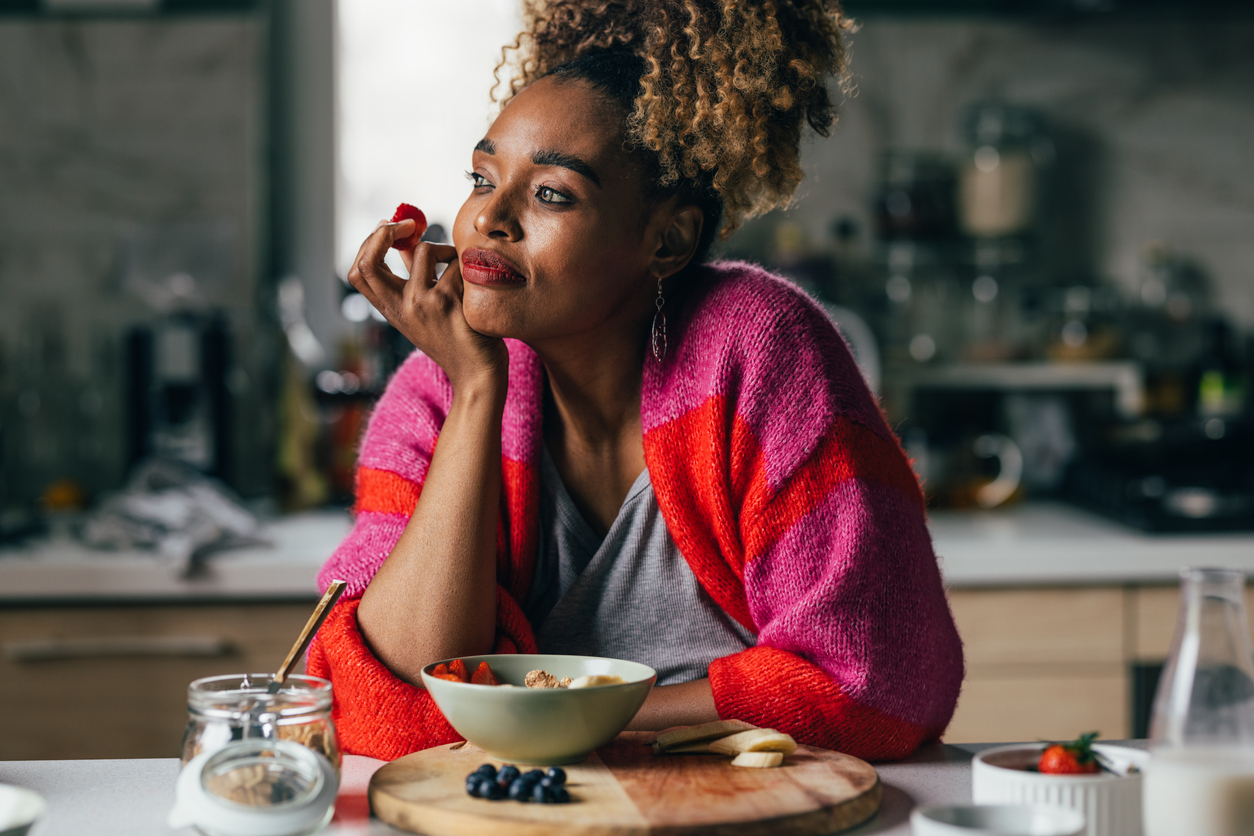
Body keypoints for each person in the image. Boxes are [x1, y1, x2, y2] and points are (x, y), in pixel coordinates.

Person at [310, 0, 964, 763]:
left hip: (745, 812)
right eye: (482, 177)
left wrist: (577, 719)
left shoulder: (757, 351)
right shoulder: (436, 395)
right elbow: (388, 709)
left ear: (669, 238)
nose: (491, 218)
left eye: (552, 193)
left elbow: (878, 683)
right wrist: (478, 392)